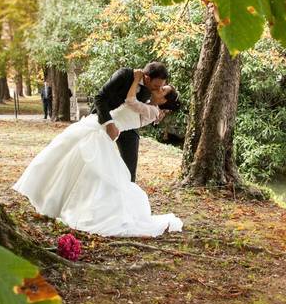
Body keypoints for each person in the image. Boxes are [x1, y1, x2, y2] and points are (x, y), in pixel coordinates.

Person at [12, 69, 182, 237]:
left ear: (163, 101)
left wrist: (136, 80)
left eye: (162, 90)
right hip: (97, 125)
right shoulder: (144, 96)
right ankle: (53, 198)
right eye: (159, 86)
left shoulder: (153, 111)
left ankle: (83, 208)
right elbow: (109, 99)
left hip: (104, 132)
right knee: (67, 156)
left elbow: (130, 101)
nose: (158, 89)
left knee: (93, 171)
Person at [93, 62, 168, 181]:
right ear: (147, 78)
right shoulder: (124, 75)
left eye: (161, 86)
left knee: (129, 170)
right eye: (156, 86)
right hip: (106, 119)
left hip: (128, 127)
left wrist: (157, 115)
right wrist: (109, 124)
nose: (158, 89)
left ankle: (126, 195)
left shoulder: (152, 89)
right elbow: (99, 98)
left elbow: (146, 108)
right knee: (96, 162)